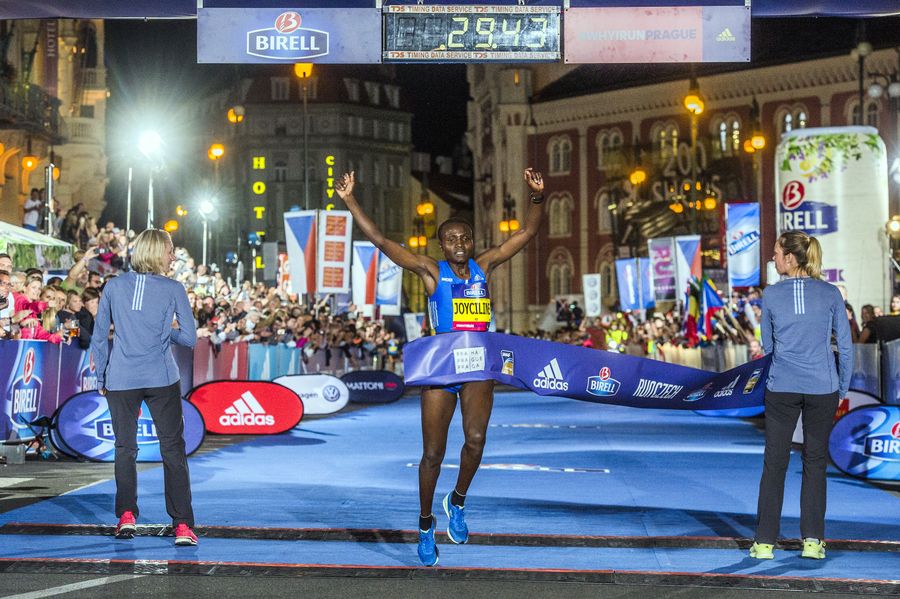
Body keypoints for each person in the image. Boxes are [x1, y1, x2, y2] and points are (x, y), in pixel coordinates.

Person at [335, 167, 545, 567]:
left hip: (477, 365)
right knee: (432, 453)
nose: (459, 243)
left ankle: (458, 501)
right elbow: (381, 241)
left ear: (472, 241)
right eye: (450, 239)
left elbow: (526, 234)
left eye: (464, 237)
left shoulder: (486, 265)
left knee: (477, 439)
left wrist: (536, 197)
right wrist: (350, 200)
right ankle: (426, 523)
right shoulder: (432, 272)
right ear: (441, 245)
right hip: (440, 369)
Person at [90, 229, 198, 546]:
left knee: (125, 449)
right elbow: (190, 339)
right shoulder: (174, 288)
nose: (174, 256)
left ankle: (126, 516)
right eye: (170, 250)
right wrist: (166, 332)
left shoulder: (112, 286)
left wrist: (99, 379)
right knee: (173, 450)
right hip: (161, 377)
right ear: (156, 252)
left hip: (121, 378)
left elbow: (99, 337)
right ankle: (182, 525)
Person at [750, 230, 852, 561]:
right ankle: (812, 541)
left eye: (777, 254)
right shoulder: (831, 293)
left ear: (790, 259)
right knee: (815, 462)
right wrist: (843, 388)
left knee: (775, 462)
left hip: (782, 387)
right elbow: (846, 347)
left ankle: (764, 542)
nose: (773, 259)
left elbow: (769, 346)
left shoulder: (771, 295)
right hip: (823, 387)